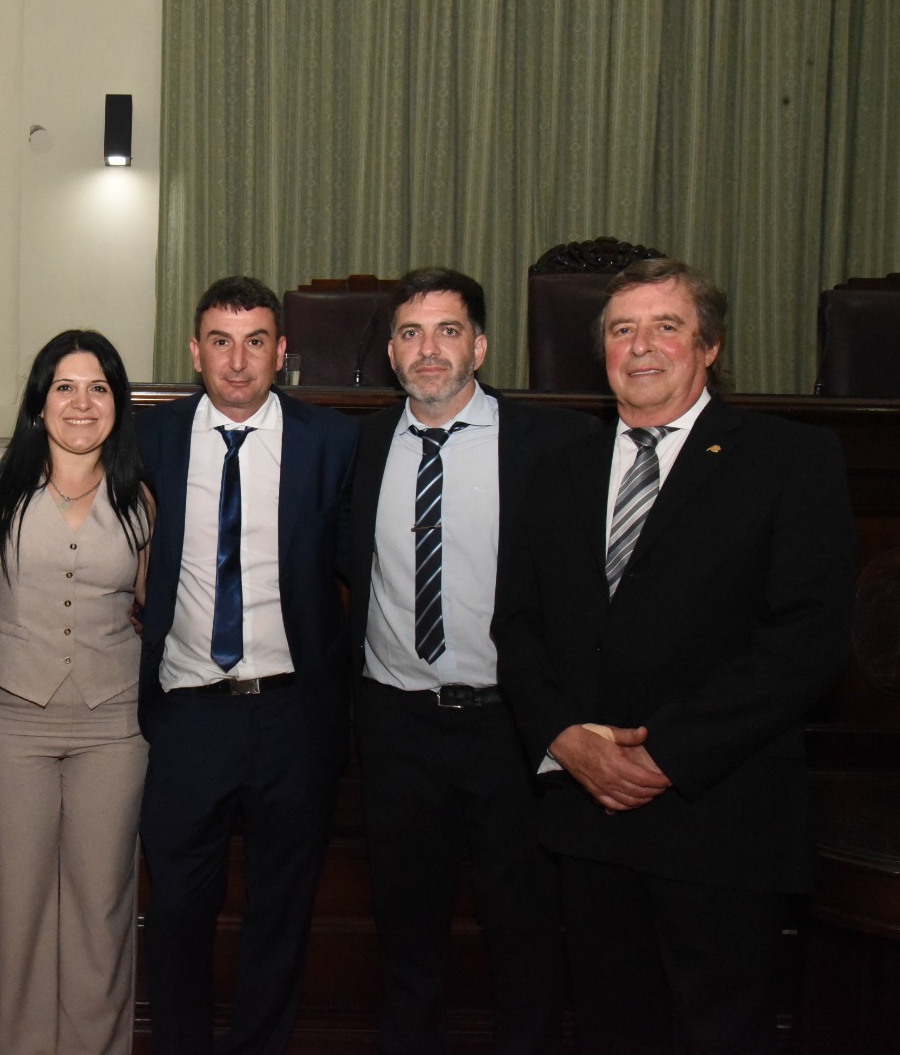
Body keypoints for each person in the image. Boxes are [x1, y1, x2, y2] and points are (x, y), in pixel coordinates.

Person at [494, 259, 857, 1053]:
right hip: (588, 816)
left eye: (667, 327)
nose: (641, 346)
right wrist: (564, 738)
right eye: (622, 329)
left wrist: (668, 756)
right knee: (612, 1027)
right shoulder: (559, 471)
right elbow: (516, 628)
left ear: (709, 346)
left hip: (718, 818)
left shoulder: (790, 458)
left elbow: (807, 639)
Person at [350, 268, 591, 1053]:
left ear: (479, 347)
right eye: (411, 334)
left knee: (524, 930)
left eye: (448, 331)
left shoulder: (552, 445)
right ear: (391, 353)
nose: (429, 350)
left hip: (509, 727)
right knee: (405, 931)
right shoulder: (363, 445)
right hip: (397, 725)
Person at [135, 275, 356, 1054]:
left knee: (281, 911)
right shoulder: (149, 439)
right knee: (176, 912)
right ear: (195, 352)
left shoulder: (332, 441)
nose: (238, 361)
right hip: (189, 711)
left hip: (294, 713)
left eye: (256, 342)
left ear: (281, 352)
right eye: (221, 343)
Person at [0, 329, 154, 1055]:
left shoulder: (140, 495)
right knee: (17, 909)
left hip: (114, 727)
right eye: (65, 386)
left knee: (103, 906)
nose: (81, 402)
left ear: (118, 403)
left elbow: (152, 604)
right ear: (39, 400)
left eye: (98, 387)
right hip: (12, 725)